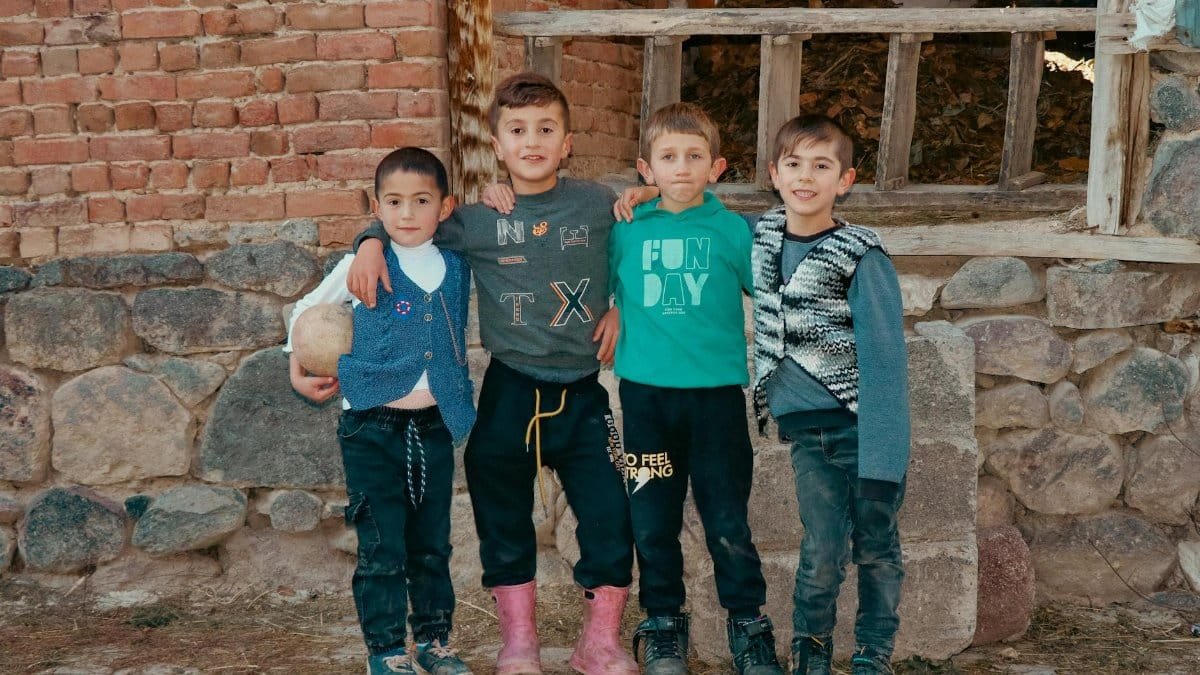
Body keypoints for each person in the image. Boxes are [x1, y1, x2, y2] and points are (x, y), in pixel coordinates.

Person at [346, 73, 637, 675]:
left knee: (611, 509)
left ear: (568, 142)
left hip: (583, 390)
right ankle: (519, 643)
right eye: (517, 130)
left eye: (546, 129)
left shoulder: (597, 202)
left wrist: (622, 307)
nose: (533, 141)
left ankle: (600, 643)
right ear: (498, 146)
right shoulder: (477, 219)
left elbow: (652, 225)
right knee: (499, 504)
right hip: (512, 387)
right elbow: (410, 219)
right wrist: (369, 240)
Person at [603, 101, 783, 675]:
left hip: (716, 405)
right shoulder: (624, 233)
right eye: (668, 157)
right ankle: (662, 626)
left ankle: (748, 625)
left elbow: (774, 296)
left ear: (717, 166)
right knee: (651, 519)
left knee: (726, 518)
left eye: (694, 156)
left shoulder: (733, 232)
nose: (681, 167)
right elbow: (600, 286)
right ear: (645, 168)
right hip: (645, 403)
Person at [286, 147, 475, 675]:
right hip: (372, 423)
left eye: (421, 201)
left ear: (445, 206)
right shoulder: (360, 262)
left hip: (434, 423)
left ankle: (434, 644)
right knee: (382, 545)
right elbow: (306, 309)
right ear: (377, 206)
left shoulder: (456, 264)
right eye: (393, 202)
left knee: (432, 545)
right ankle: (387, 652)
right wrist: (295, 367)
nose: (407, 213)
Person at [752, 115, 909, 675]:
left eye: (822, 166)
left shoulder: (860, 254)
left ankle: (872, 653)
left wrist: (884, 461)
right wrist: (646, 192)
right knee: (820, 553)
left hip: (862, 429)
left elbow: (886, 360)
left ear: (845, 180)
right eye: (793, 164)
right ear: (774, 174)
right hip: (805, 435)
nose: (806, 177)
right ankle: (811, 650)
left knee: (876, 548)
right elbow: (697, 220)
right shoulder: (764, 238)